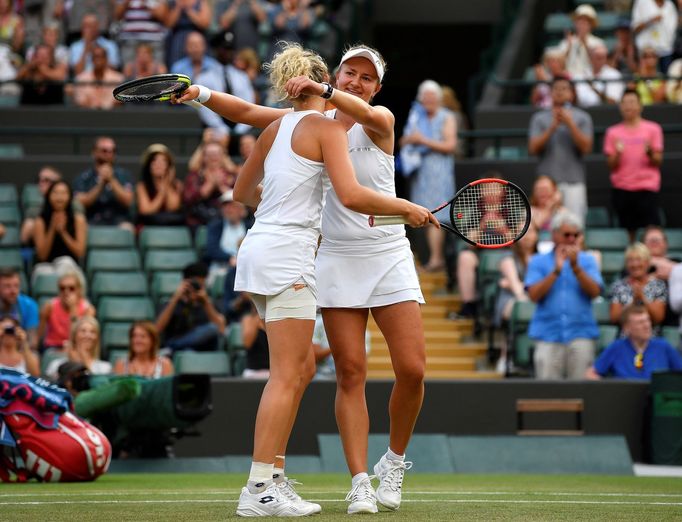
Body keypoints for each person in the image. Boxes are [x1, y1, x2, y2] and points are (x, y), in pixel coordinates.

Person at [175, 42, 436, 515]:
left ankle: (389, 462)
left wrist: (325, 90)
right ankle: (350, 480)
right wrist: (199, 95)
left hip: (379, 255)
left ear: (377, 88)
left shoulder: (379, 120)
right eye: (348, 72)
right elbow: (250, 112)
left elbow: (337, 111)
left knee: (410, 370)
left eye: (366, 78)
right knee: (337, 371)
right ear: (334, 72)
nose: (356, 81)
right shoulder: (307, 124)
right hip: (324, 256)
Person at [524, 211, 602, 379]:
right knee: (548, 395)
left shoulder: (587, 260)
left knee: (581, 394)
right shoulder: (538, 261)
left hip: (581, 333)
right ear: (554, 235)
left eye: (576, 235)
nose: (572, 239)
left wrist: (576, 268)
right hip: (548, 334)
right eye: (567, 234)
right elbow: (533, 296)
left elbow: (595, 292)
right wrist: (556, 271)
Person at [400, 79, 457, 272]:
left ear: (439, 99)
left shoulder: (447, 117)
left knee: (437, 215)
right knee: (421, 214)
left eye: (432, 97)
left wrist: (422, 140)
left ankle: (436, 259)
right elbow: (403, 141)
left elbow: (450, 145)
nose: (429, 100)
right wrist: (411, 140)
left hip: (439, 172)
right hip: (420, 173)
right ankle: (429, 259)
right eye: (426, 97)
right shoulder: (416, 116)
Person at [528, 76, 593, 224]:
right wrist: (551, 128)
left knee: (575, 225)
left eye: (564, 89)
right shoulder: (539, 118)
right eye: (556, 88)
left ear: (572, 93)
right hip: (546, 184)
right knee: (544, 225)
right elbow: (532, 149)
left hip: (574, 182)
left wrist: (570, 124)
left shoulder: (583, 117)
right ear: (550, 92)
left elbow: (587, 148)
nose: (560, 92)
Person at [604, 89, 664, 241]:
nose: (628, 106)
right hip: (622, 187)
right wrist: (617, 153)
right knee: (628, 231)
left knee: (651, 230)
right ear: (620, 107)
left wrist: (650, 152)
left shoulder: (653, 129)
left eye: (632, 102)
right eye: (625, 103)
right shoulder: (612, 132)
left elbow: (658, 160)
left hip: (647, 187)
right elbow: (610, 165)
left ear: (640, 106)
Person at [586, 304, 682, 379]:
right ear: (626, 328)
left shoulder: (663, 346)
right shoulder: (616, 347)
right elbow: (591, 374)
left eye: (647, 320)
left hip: (657, 400)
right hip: (624, 399)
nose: (646, 326)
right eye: (640, 322)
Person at [155, 262, 226, 352]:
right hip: (176, 345)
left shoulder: (208, 304)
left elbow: (221, 329)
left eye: (201, 285)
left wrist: (206, 302)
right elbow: (156, 330)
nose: (197, 288)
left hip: (202, 351)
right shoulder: (170, 304)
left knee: (211, 329)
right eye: (195, 285)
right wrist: (175, 298)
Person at [31, 180, 87, 287]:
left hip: (70, 267)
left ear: (70, 197)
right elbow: (42, 255)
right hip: (46, 267)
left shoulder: (78, 219)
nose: (59, 197)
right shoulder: (40, 221)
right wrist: (52, 228)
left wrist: (63, 232)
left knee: (65, 263)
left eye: (63, 193)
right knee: (41, 272)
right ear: (49, 196)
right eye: (55, 193)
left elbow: (80, 252)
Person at [74, 136, 135, 230]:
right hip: (92, 221)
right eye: (104, 150)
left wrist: (112, 180)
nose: (109, 154)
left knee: (128, 228)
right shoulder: (83, 177)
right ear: (94, 152)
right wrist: (101, 184)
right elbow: (80, 203)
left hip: (119, 221)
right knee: (81, 228)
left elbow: (128, 201)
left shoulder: (124, 175)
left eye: (112, 150)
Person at [609, 242, 668, 329]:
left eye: (639, 259)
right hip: (626, 337)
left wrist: (642, 298)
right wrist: (632, 302)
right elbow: (614, 318)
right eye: (630, 260)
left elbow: (658, 318)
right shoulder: (618, 286)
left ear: (648, 262)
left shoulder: (658, 286)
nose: (635, 264)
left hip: (651, 337)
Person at [183, 139, 238, 227]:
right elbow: (188, 199)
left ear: (223, 156)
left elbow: (240, 199)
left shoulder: (231, 175)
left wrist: (221, 186)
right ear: (204, 157)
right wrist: (209, 184)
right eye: (210, 154)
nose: (214, 157)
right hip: (199, 222)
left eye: (216, 154)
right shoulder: (195, 175)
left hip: (228, 221)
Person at [38, 272, 95, 351]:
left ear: (79, 290)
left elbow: (81, 338)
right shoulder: (49, 306)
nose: (66, 292)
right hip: (53, 347)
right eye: (62, 288)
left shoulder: (88, 309)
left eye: (71, 288)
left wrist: (73, 309)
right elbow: (39, 336)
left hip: (77, 347)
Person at [45, 316, 112, 382]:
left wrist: (85, 362)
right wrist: (74, 363)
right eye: (83, 331)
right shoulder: (56, 365)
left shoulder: (104, 368)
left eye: (92, 332)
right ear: (74, 336)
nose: (87, 335)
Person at [135, 143, 185, 227]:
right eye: (154, 160)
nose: (159, 164)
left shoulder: (177, 185)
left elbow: (173, 208)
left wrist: (167, 183)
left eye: (163, 161)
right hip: (149, 227)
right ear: (149, 165)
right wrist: (162, 192)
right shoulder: (142, 186)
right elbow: (146, 211)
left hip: (171, 227)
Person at [204, 190, 247, 284]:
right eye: (225, 206)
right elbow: (212, 249)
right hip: (220, 269)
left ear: (241, 209)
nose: (228, 209)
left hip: (245, 269)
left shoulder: (250, 226)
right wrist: (229, 258)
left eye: (232, 206)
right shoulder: (215, 227)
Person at [114, 0, 168, 66]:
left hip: (154, 40)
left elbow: (163, 16)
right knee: (129, 71)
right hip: (130, 40)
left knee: (157, 72)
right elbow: (117, 15)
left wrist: (146, 3)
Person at [557, 4, 606, 77]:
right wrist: (569, 48)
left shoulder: (598, 42)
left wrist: (585, 43)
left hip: (590, 79)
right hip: (569, 80)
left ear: (591, 24)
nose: (582, 24)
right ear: (575, 23)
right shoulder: (566, 42)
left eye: (586, 21)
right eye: (579, 20)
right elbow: (559, 65)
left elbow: (599, 66)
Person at [72, 45, 125, 110]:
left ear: (106, 59)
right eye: (95, 57)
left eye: (101, 57)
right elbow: (81, 103)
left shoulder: (118, 79)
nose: (98, 60)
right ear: (92, 59)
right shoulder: (81, 79)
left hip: (111, 116)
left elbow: (118, 103)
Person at [631, 0, 678, 73]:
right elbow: (635, 27)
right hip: (646, 52)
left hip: (665, 52)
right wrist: (650, 21)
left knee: (665, 82)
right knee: (644, 80)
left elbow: (673, 30)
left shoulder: (670, 5)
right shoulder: (641, 2)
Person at [163, 0, 211, 69]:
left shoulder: (201, 2)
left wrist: (188, 10)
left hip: (197, 37)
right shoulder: (172, 2)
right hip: (177, 42)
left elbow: (205, 23)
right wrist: (178, 7)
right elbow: (168, 24)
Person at [0, 268, 39, 352]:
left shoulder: (29, 305)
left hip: (20, 351)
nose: (13, 291)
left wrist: (23, 340)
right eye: (7, 286)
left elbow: (33, 342)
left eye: (16, 286)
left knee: (34, 354)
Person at [241, 301, 269, 379]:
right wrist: (259, 316)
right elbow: (247, 343)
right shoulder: (248, 319)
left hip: (274, 373)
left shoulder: (276, 321)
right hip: (253, 372)